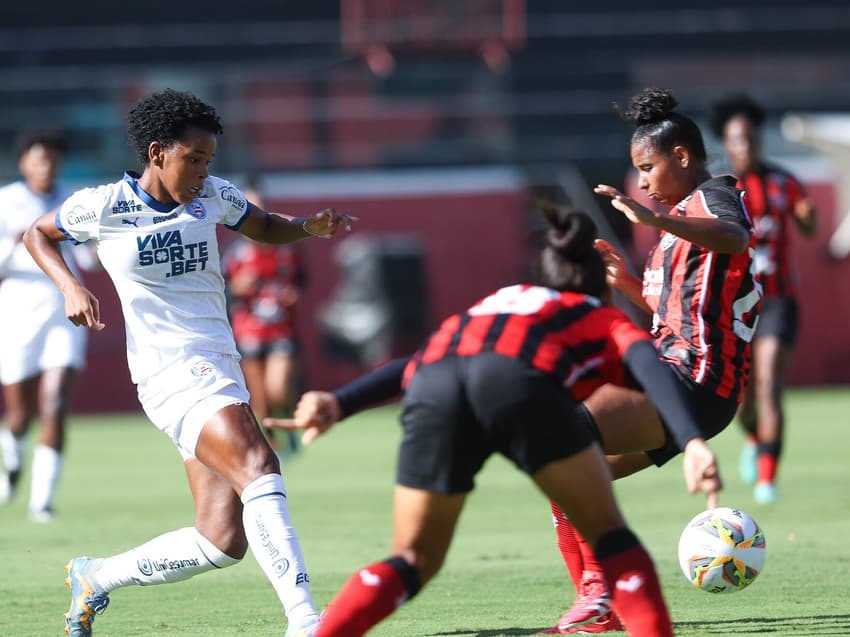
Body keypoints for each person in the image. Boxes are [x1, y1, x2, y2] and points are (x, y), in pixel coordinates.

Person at [273, 88, 760, 635]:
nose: (642, 181)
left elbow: (734, 236)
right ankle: (597, 607)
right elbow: (668, 318)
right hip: (683, 384)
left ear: (684, 158)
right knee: (571, 479)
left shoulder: (713, 198)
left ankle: (598, 598)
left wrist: (656, 220)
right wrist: (625, 279)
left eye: (647, 168)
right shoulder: (667, 236)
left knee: (565, 438)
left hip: (695, 380)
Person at [23, 88, 355, 637]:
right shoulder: (104, 206)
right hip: (171, 371)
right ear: (157, 153)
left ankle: (96, 576)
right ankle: (305, 622)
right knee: (261, 468)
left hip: (219, 364)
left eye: (209, 162)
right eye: (193, 160)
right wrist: (70, 287)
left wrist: (307, 226)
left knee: (222, 541)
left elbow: (264, 226)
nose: (203, 172)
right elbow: (37, 233)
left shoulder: (214, 197)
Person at [709, 93, 817, 505]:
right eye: (738, 139)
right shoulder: (720, 189)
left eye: (752, 138)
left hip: (777, 302)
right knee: (741, 398)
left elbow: (809, 226)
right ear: (726, 142)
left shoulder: (784, 183)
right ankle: (756, 438)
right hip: (735, 304)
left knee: (770, 386)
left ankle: (767, 480)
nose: (746, 146)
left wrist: (809, 219)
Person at [0, 130, 97, 522]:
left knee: (54, 403)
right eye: (39, 159)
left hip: (64, 307)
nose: (47, 167)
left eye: (53, 160)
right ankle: (12, 464)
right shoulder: (6, 201)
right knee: (20, 413)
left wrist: (95, 245)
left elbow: (89, 260)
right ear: (24, 162)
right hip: (19, 309)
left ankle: (42, 501)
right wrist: (16, 239)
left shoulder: (74, 202)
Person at [222, 182, 306, 454]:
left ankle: (289, 421)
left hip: (281, 328)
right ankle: (274, 444)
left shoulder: (285, 248)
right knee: (260, 400)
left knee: (278, 389)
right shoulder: (235, 253)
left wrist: (295, 294)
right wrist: (237, 288)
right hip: (248, 330)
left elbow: (301, 280)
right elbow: (221, 289)